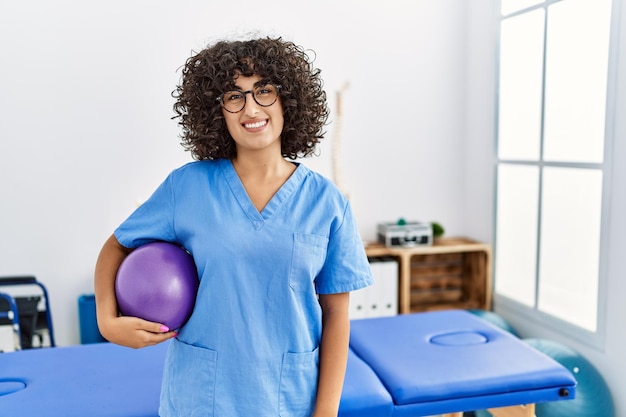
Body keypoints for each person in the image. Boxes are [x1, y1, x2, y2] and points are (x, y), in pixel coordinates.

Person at [94, 36, 373, 417]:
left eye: (264, 91)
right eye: (234, 95)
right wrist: (108, 323)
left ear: (287, 99)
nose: (251, 107)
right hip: (200, 398)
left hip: (288, 399)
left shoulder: (327, 203)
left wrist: (326, 413)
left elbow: (337, 315)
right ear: (218, 110)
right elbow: (116, 246)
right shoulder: (187, 187)